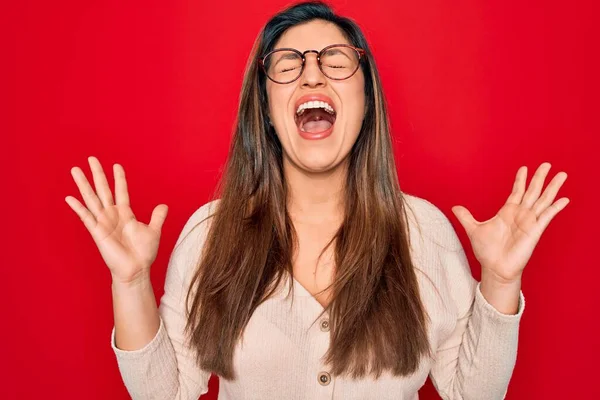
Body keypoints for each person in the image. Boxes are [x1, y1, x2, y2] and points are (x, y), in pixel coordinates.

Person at [65, 1, 569, 399]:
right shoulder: (210, 233)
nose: (312, 75)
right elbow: (165, 393)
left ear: (366, 98)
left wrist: (501, 282)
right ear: (263, 107)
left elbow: (473, 393)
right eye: (288, 63)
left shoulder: (424, 232)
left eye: (335, 61)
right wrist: (130, 282)